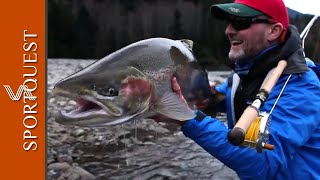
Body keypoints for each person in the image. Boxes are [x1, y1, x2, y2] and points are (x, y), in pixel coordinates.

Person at [164, 0, 320, 179]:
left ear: (274, 31)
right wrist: (209, 99)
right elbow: (231, 98)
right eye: (229, 22)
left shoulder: (302, 87)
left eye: (240, 22)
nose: (229, 30)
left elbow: (263, 162)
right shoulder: (244, 73)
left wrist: (187, 119)